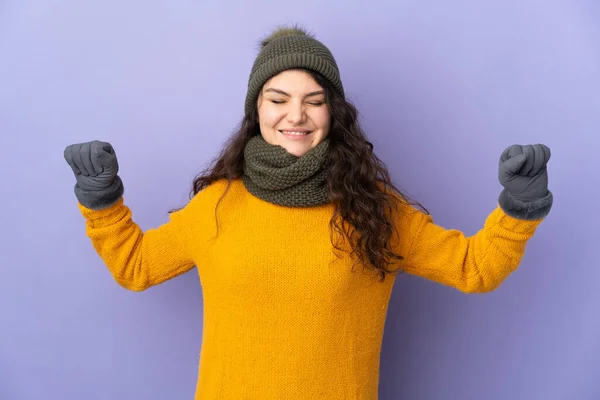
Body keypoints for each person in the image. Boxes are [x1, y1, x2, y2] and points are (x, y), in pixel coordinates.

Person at [63, 25, 553, 400]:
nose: (295, 116)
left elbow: (474, 267)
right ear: (256, 109)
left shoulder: (376, 209)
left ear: (333, 113)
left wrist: (519, 207)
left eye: (313, 101)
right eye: (278, 99)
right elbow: (136, 266)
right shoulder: (218, 204)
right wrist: (101, 199)